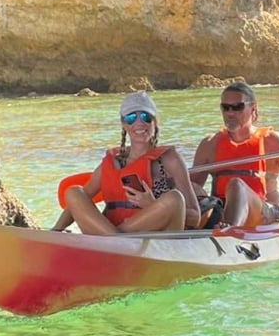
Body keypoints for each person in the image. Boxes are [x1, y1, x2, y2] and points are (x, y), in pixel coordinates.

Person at [53, 91, 201, 234]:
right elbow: (78, 202)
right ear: (123, 124)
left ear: (155, 122)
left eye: (145, 117)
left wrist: (151, 204)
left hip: (152, 234)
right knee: (74, 192)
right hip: (110, 233)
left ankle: (115, 237)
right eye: (131, 118)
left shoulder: (170, 159)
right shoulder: (113, 161)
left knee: (174, 198)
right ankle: (113, 237)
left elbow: (195, 217)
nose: (139, 123)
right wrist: (55, 232)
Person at [189, 82, 279, 228]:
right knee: (190, 188)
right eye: (225, 107)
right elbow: (191, 188)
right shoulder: (209, 144)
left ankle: (230, 231)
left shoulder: (272, 141)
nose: (230, 113)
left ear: (253, 109)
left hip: (264, 211)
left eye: (237, 107)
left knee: (236, 185)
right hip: (222, 208)